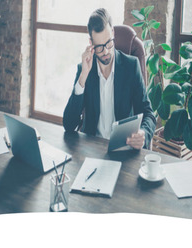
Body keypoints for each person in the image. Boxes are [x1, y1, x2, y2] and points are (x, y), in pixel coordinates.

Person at [63, 8, 156, 149]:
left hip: (123, 148)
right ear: (91, 43)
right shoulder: (85, 69)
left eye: (108, 43)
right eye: (99, 47)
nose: (106, 51)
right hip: (91, 148)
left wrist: (143, 133)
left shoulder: (131, 66)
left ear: (113, 33)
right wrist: (83, 77)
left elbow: (148, 114)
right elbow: (69, 125)